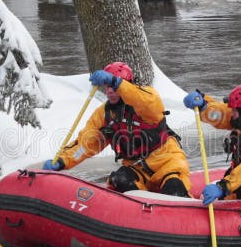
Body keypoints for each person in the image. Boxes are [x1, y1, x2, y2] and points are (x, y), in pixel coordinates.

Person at [42, 62, 192, 197]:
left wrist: (116, 83)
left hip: (167, 162)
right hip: (137, 167)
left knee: (174, 188)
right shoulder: (105, 115)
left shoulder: (146, 103)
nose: (109, 91)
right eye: (107, 87)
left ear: (126, 84)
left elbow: (144, 100)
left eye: (113, 87)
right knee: (119, 180)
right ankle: (139, 214)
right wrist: (62, 161)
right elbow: (87, 143)